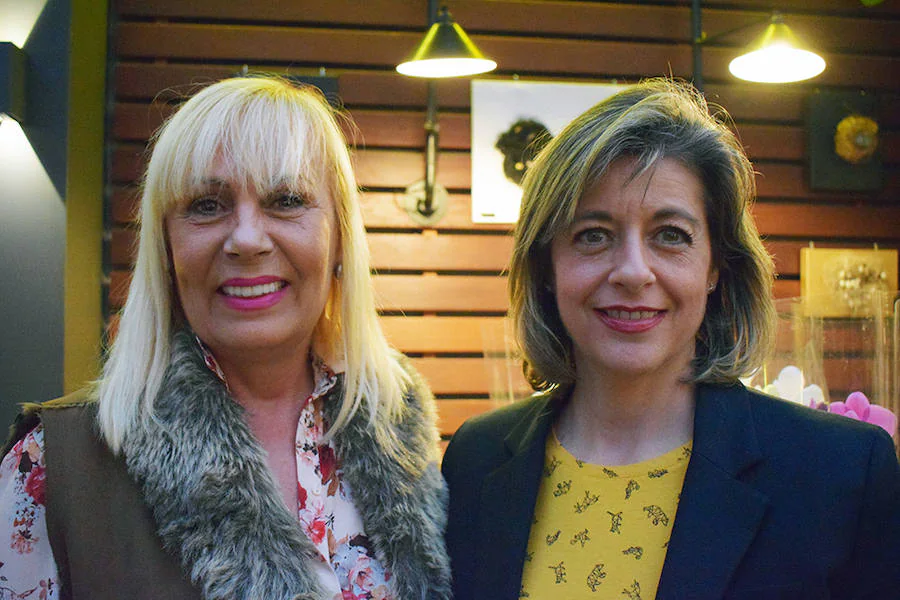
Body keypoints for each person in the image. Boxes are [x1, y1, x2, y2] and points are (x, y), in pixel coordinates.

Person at [442, 78, 900, 599]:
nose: (633, 272)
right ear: (547, 265)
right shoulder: (475, 461)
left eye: (670, 235)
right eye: (593, 234)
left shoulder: (840, 474)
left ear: (716, 267)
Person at [0, 76, 451, 600]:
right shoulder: (55, 467)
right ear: (166, 250)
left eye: (285, 200)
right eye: (207, 206)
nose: (246, 240)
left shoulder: (404, 436)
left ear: (340, 240)